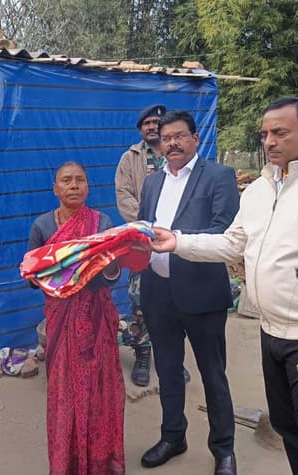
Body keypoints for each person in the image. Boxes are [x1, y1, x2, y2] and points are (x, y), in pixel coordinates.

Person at [151, 97, 298, 475]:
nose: (270, 141)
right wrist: (178, 241)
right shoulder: (260, 189)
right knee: (290, 431)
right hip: (271, 334)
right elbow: (232, 244)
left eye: (280, 132)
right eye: (265, 134)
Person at [137, 110, 239, 475]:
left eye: (180, 136)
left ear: (195, 139)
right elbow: (145, 229)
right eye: (166, 138)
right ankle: (172, 436)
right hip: (158, 292)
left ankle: (223, 450)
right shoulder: (153, 183)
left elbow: (224, 232)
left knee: (213, 375)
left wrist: (178, 241)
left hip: (202, 293)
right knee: (168, 371)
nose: (173, 144)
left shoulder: (218, 176)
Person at [28, 161, 125, 475]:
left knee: (99, 390)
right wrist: (54, 269)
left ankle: (99, 461)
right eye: (66, 180)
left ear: (88, 186)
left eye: (80, 180)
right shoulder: (42, 226)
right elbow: (32, 278)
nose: (73, 185)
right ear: (55, 188)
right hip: (61, 319)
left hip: (96, 318)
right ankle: (67, 463)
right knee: (63, 391)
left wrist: (110, 261)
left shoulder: (101, 223)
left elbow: (111, 276)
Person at [115, 103, 166, 386]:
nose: (151, 126)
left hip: (174, 240)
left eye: (156, 122)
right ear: (140, 129)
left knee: (173, 299)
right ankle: (143, 354)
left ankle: (171, 355)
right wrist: (147, 226)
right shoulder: (130, 158)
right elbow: (123, 195)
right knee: (140, 299)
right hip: (141, 241)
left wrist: (170, 226)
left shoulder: (175, 154)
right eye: (146, 123)